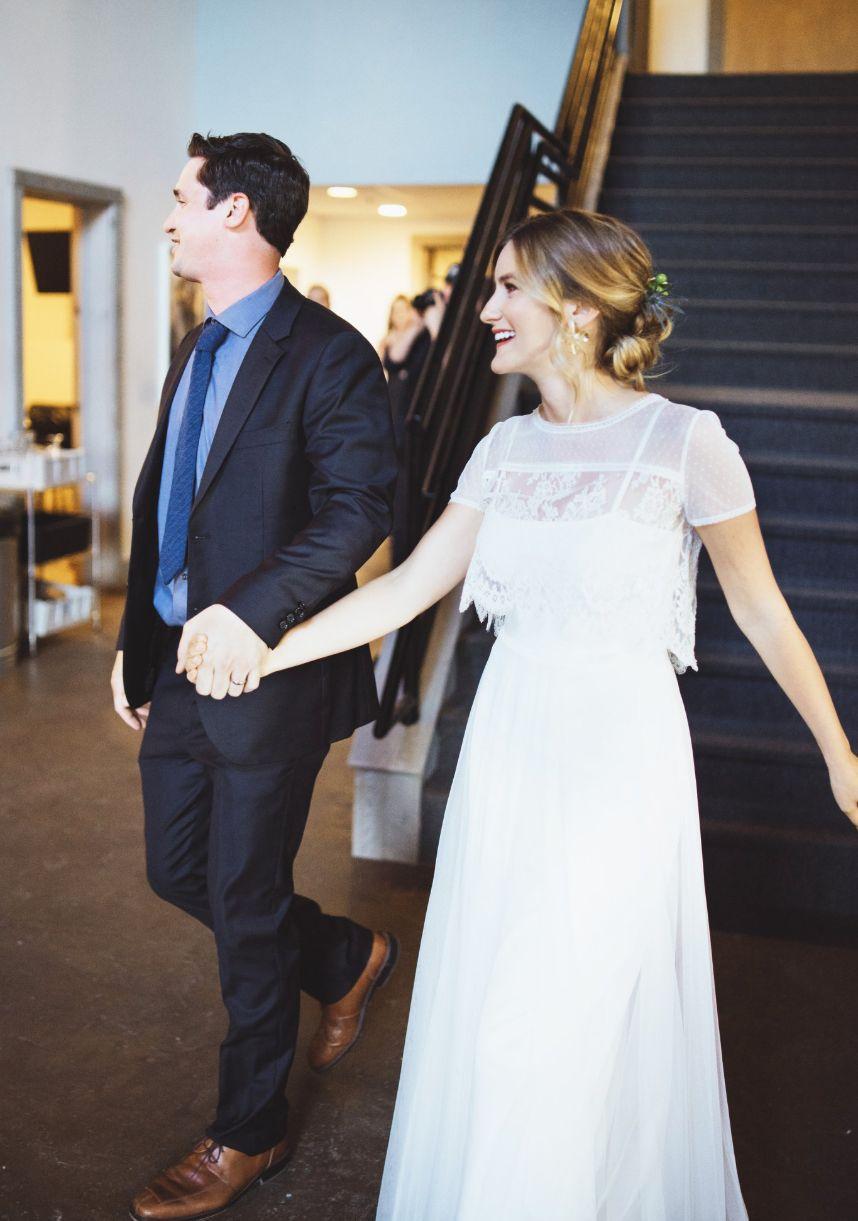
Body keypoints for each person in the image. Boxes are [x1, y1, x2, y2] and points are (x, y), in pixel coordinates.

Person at [179, 208, 858, 1219]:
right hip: (510, 758)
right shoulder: (502, 451)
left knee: (539, 1034)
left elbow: (762, 611)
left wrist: (841, 754)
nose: (484, 308)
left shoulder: (686, 445)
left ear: (578, 309)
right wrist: (262, 647)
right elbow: (408, 588)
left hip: (620, 768)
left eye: (506, 288)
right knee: (511, 1021)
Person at [110, 131, 399, 1221]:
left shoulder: (330, 353)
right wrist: (139, 642)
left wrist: (248, 611)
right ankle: (345, 953)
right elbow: (167, 506)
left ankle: (249, 1130)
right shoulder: (195, 347)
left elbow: (357, 512)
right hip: (181, 666)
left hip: (272, 671)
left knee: (241, 896)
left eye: (181, 199)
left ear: (236, 211)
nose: (169, 217)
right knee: (178, 868)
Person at [379, 295, 432, 564]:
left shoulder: (420, 337)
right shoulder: (391, 339)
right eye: (396, 311)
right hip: (393, 406)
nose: (401, 315)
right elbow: (391, 360)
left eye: (405, 310)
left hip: (407, 412)